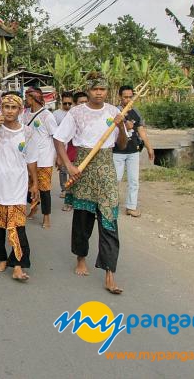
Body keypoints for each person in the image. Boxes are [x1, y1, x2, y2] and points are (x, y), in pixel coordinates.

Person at [53, 73, 128, 295]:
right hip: (83, 168)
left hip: (105, 169)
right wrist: (68, 165)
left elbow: (122, 144)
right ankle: (81, 258)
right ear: (88, 91)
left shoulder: (114, 112)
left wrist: (121, 127)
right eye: (95, 89)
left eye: (102, 89)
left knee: (109, 219)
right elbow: (59, 138)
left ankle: (109, 273)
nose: (99, 93)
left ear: (107, 91)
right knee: (83, 218)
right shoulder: (76, 112)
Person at [0, 92, 40, 282]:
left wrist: (35, 183)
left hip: (17, 187)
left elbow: (31, 160)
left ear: (20, 110)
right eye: (6, 107)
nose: (10, 111)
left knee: (17, 227)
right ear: (0, 109)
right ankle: (2, 258)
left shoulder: (27, 132)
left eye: (14, 107)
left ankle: (18, 265)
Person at [113, 85, 155, 218]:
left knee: (134, 180)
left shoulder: (136, 112)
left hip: (133, 151)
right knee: (115, 179)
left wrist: (149, 147)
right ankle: (110, 205)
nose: (128, 99)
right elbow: (110, 130)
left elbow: (141, 130)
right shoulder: (115, 111)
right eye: (125, 97)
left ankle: (131, 207)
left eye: (130, 97)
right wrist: (124, 126)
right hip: (117, 152)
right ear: (120, 97)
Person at [22, 87, 58, 229]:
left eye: (27, 97)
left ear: (33, 98)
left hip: (44, 158)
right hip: (29, 158)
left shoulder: (47, 116)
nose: (25, 100)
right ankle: (34, 208)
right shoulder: (25, 115)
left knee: (44, 189)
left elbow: (56, 136)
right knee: (30, 186)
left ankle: (46, 217)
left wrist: (58, 157)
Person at [61, 91, 89, 211]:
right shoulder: (71, 116)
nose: (83, 105)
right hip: (72, 151)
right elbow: (62, 138)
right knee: (73, 176)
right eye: (80, 102)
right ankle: (69, 202)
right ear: (75, 104)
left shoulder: (91, 116)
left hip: (88, 153)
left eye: (85, 102)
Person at [54, 92, 74, 198]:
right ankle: (64, 189)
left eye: (69, 104)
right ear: (61, 102)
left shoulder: (75, 112)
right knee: (62, 169)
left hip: (73, 146)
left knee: (72, 168)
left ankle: (71, 189)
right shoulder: (56, 114)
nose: (67, 106)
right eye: (65, 103)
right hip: (61, 146)